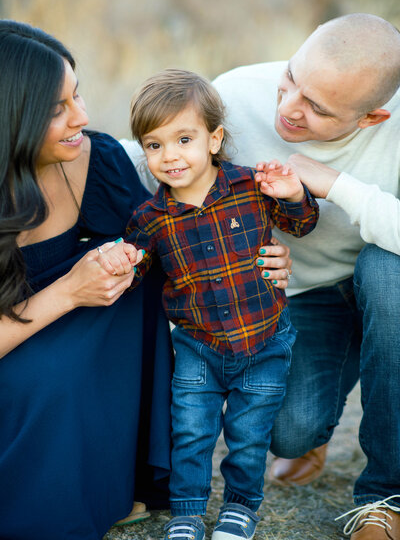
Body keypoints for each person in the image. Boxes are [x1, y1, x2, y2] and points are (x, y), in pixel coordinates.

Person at [99, 68, 319, 540]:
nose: (170, 156)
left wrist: (295, 193)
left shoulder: (250, 187)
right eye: (154, 145)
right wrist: (121, 259)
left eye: (183, 139)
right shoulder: (149, 218)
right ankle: (187, 513)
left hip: (264, 340)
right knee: (192, 434)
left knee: (248, 435)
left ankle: (240, 508)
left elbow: (300, 225)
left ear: (214, 138)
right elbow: (139, 269)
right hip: (197, 348)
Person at [210, 13, 400, 539]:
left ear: (372, 118)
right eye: (292, 79)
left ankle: (386, 497)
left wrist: (336, 184)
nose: (288, 109)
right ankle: (320, 420)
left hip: (386, 279)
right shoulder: (234, 94)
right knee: (288, 433)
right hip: (307, 294)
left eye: (317, 109)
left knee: (389, 276)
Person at [0, 20, 173, 540]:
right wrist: (69, 292)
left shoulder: (97, 159)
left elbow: (166, 243)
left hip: (66, 332)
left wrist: (257, 257)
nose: (83, 117)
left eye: (78, 95)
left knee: (130, 271)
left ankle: (120, 482)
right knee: (50, 371)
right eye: (57, 109)